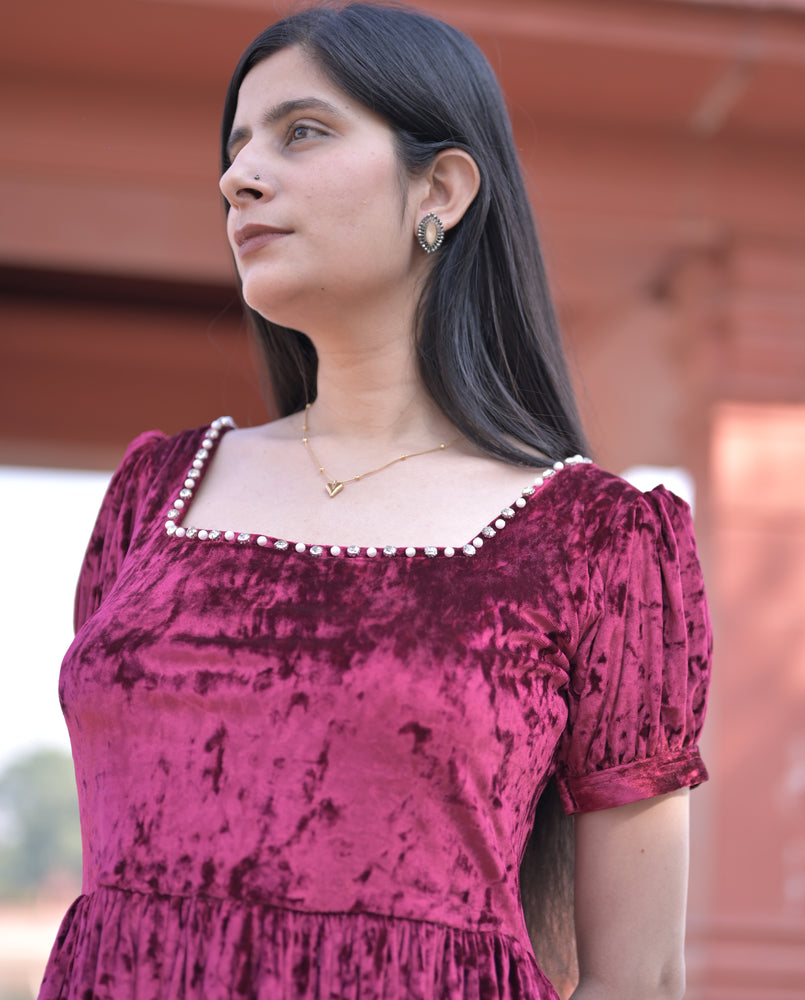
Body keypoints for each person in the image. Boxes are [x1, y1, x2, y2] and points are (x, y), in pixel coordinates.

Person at [38, 3, 711, 998]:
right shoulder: (155, 494)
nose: (240, 175)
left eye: (300, 132)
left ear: (440, 187)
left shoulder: (600, 542)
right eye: (236, 148)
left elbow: (638, 978)